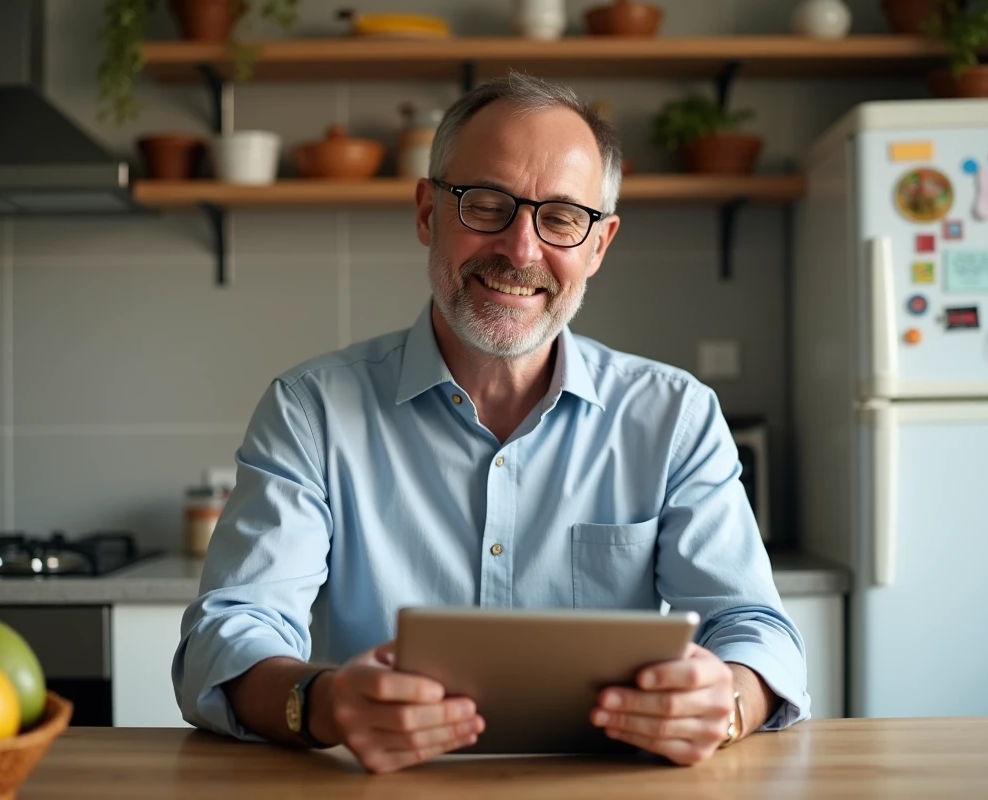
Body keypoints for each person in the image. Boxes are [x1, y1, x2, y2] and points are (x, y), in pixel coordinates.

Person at [172, 72, 809, 774]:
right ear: (426, 212)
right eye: (486, 205)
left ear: (598, 246)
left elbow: (757, 631)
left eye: (562, 218)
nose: (521, 249)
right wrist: (322, 704)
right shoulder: (310, 410)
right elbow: (227, 634)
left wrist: (729, 700)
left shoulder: (674, 415)